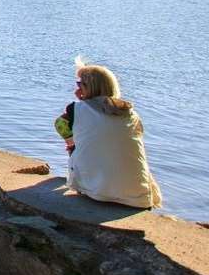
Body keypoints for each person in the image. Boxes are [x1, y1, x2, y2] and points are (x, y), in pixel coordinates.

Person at [54, 62, 162, 209]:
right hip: (138, 196)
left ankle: (86, 180)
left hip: (96, 192)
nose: (76, 89)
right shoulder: (131, 113)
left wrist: (71, 143)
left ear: (88, 87)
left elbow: (59, 124)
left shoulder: (76, 109)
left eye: (79, 85)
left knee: (80, 148)